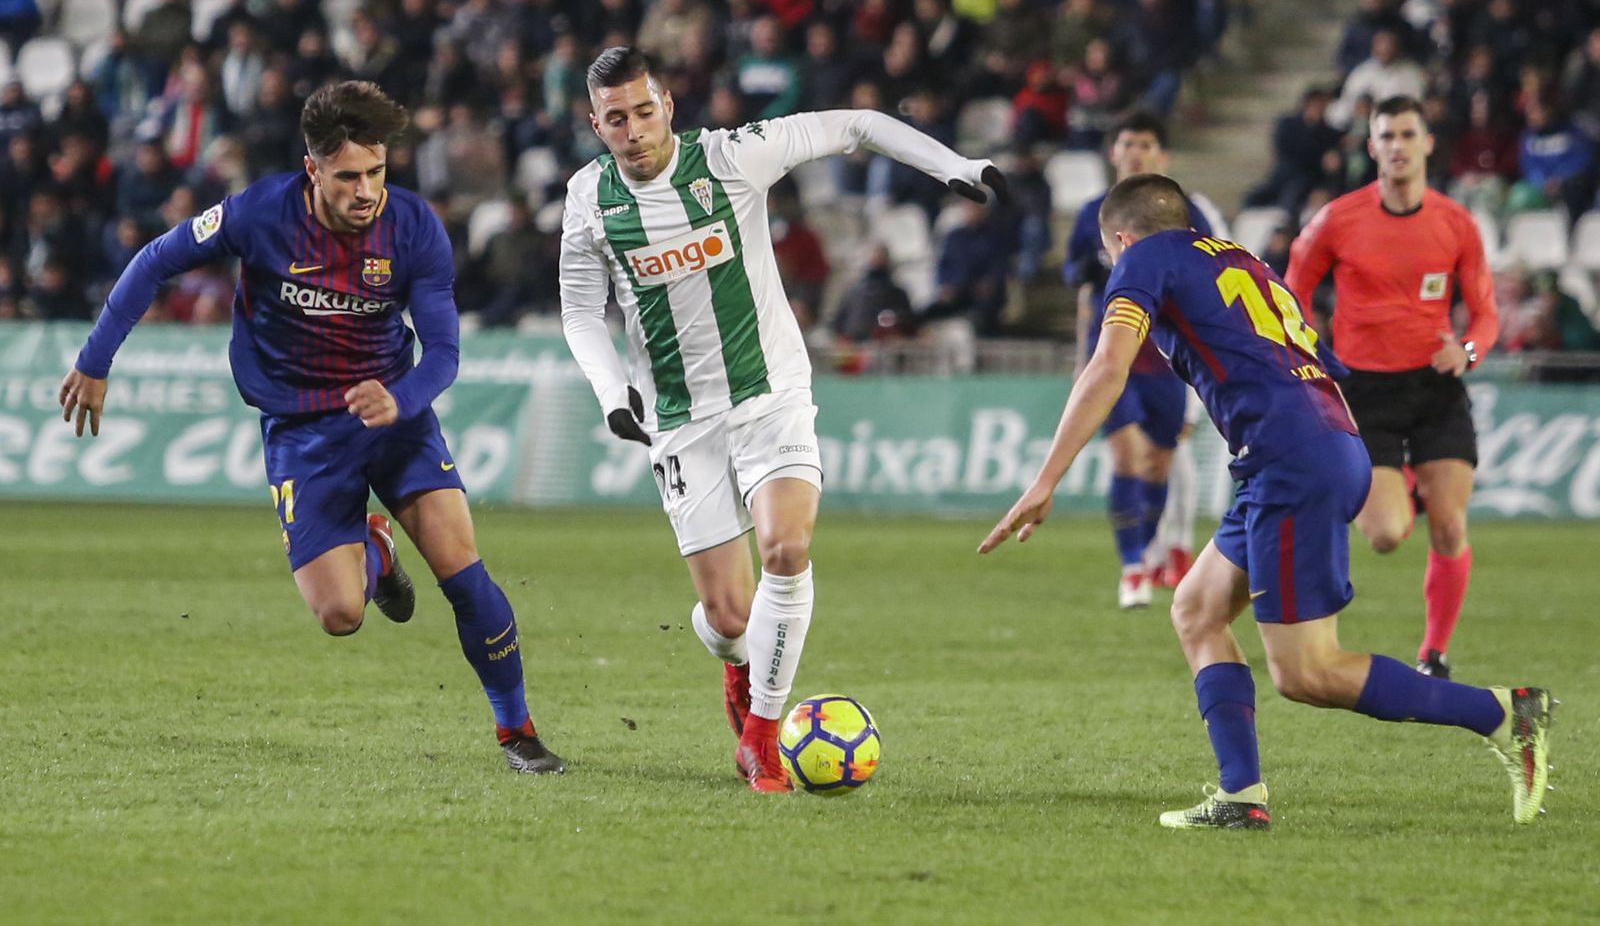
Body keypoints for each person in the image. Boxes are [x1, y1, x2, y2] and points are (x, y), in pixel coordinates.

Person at [980, 172, 1553, 830]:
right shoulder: (1239, 257)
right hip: (1314, 442)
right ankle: (1241, 794)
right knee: (1196, 609)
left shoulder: (1142, 257)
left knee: (1308, 671)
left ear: (1120, 237)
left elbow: (1109, 364)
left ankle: (1505, 713)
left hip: (1290, 459)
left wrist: (1046, 478)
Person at [57, 81, 563, 776]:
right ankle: (375, 553)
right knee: (339, 614)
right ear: (313, 169)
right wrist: (94, 360)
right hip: (302, 427)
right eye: (349, 175)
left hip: (393, 414)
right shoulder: (259, 214)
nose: (366, 190)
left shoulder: (413, 227)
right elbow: (156, 261)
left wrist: (402, 394)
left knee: (462, 570)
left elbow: (444, 350)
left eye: (377, 172)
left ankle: (517, 729)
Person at [560, 47, 1005, 793]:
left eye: (643, 111)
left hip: (771, 393)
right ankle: (738, 662)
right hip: (679, 416)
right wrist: (613, 393)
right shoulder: (588, 198)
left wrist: (954, 165)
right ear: (594, 124)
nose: (633, 129)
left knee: (787, 547)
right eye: (615, 119)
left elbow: (857, 123)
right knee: (729, 615)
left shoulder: (735, 156)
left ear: (667, 104)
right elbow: (580, 310)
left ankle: (763, 736)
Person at [1286, 95, 1499, 680]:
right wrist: (1310, 351)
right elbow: (1291, 292)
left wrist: (1469, 352)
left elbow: (1486, 317)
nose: (1399, 145)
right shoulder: (1338, 218)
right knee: (1384, 535)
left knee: (1451, 525)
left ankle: (1434, 653)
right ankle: (1402, 481)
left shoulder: (1457, 224)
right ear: (1372, 146)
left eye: (1408, 134)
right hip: (1365, 391)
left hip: (1435, 386)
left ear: (1428, 143)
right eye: (1387, 136)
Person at [1063, 111, 1213, 608]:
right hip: (1113, 354)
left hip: (1167, 357)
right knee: (1127, 456)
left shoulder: (1185, 210)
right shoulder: (1092, 214)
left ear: (1162, 155)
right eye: (1127, 143)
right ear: (1113, 152)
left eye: (1146, 144)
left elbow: (1214, 263)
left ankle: (1148, 552)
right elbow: (1072, 275)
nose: (1135, 152)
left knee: (1158, 465)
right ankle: (1132, 567)